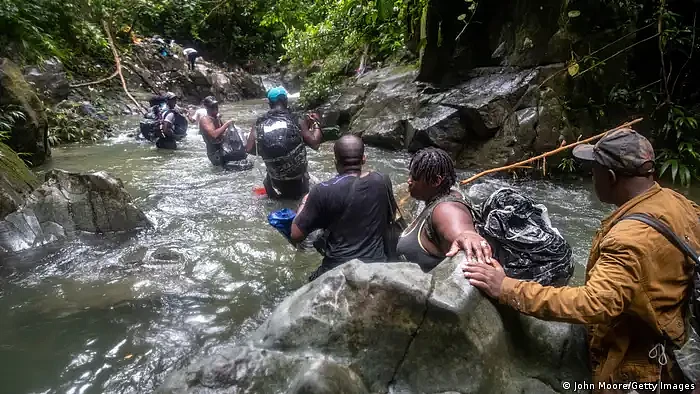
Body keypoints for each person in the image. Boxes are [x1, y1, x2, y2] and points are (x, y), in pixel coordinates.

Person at [457, 129, 700, 390]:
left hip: (638, 370)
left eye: (593, 170)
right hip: (669, 340)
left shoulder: (628, 240)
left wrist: (506, 287)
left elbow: (592, 304)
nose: (591, 176)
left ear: (610, 177)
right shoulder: (680, 204)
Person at [290, 135, 396, 281]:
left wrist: (304, 202)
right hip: (376, 266)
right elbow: (390, 216)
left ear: (335, 162)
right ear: (363, 159)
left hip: (337, 271)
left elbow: (296, 235)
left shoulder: (323, 190)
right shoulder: (382, 180)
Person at [396, 147, 491, 272]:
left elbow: (463, 232)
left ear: (436, 181)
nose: (409, 181)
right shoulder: (446, 195)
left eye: (415, 177)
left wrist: (469, 236)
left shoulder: (445, 209)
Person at [246, 86, 322, 200]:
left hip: (274, 185)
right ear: (285, 101)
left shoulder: (259, 122)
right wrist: (316, 123)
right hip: (300, 184)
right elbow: (315, 143)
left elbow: (249, 149)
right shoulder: (295, 119)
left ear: (270, 103)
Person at [198, 96, 249, 168]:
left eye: (216, 105)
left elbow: (223, 132)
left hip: (223, 149)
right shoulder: (205, 120)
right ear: (206, 107)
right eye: (212, 106)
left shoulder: (216, 118)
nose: (215, 108)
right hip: (215, 153)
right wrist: (227, 124)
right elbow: (214, 135)